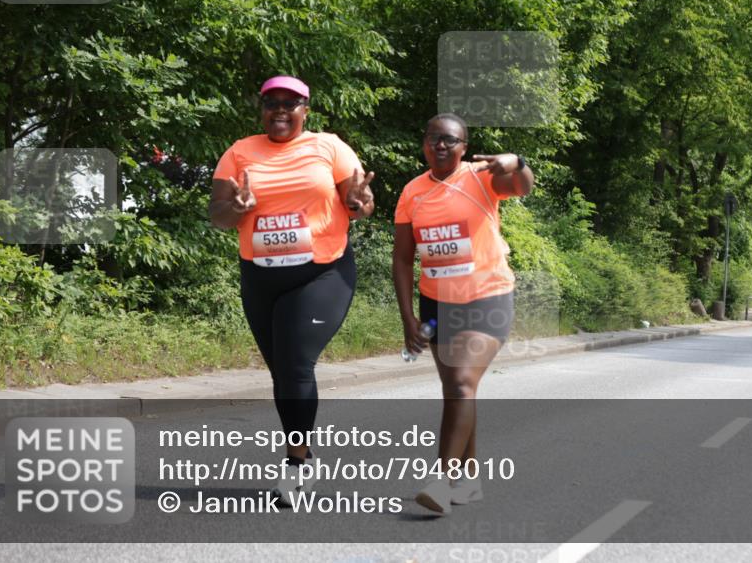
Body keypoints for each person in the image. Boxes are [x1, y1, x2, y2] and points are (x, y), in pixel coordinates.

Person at [209, 75, 374, 504]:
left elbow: (361, 204)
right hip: (260, 276)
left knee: (296, 364)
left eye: (291, 103)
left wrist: (358, 201)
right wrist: (235, 208)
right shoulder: (239, 152)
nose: (280, 109)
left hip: (322, 272)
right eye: (272, 102)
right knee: (282, 372)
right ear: (261, 107)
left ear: (306, 109)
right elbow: (218, 216)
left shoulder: (329, 147)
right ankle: (305, 452)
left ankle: (296, 464)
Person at [392, 113, 534, 514]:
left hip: (487, 297)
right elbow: (403, 260)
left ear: (464, 147)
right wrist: (408, 319)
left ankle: (441, 480)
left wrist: (518, 162)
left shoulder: (480, 177)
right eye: (434, 138)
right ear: (424, 143)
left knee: (459, 384)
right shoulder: (411, 192)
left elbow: (522, 187)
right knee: (458, 390)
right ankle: (468, 482)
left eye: (450, 140)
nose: (441, 145)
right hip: (437, 303)